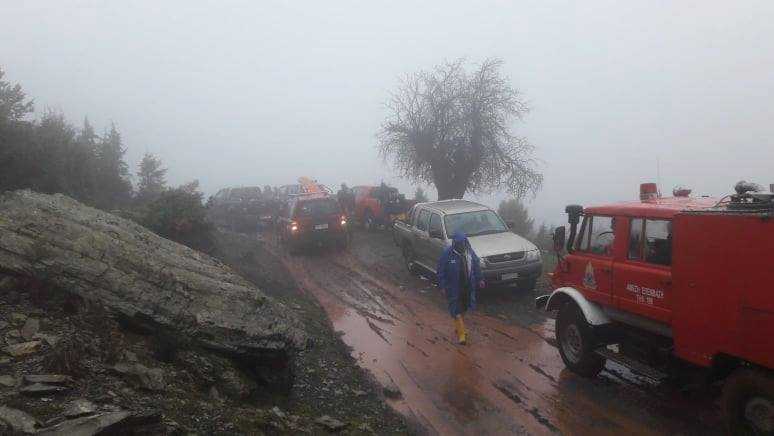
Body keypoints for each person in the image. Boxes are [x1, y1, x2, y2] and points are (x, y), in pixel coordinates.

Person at [437, 232, 484, 345]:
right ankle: (462, 334)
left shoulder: (469, 252)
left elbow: (476, 266)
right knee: (455, 308)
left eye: (462, 243)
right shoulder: (447, 254)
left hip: (468, 286)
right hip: (453, 287)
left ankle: (459, 325)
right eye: (458, 243)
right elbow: (440, 270)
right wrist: (442, 285)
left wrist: (480, 279)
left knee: (464, 307)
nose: (460, 245)